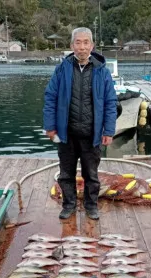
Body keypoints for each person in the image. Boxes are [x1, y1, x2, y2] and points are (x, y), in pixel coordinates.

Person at [43, 27, 117, 220]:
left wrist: (108, 130)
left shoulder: (102, 72)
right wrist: (50, 127)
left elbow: (110, 102)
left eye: (86, 43)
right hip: (66, 134)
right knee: (65, 174)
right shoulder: (61, 69)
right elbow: (50, 97)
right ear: (71, 45)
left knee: (91, 174)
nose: (82, 47)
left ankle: (91, 206)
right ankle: (69, 205)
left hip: (92, 135)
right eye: (78, 42)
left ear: (92, 46)